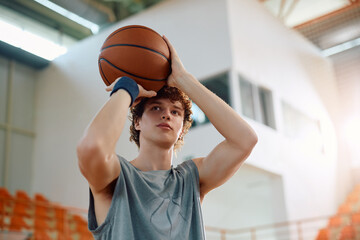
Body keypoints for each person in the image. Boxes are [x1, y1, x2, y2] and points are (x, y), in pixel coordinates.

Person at [76, 36, 258, 240]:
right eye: (156, 108)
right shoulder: (116, 177)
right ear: (137, 122)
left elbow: (245, 139)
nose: (166, 115)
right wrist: (126, 89)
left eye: (176, 112)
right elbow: (91, 147)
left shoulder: (191, 180)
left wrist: (184, 80)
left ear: (182, 129)